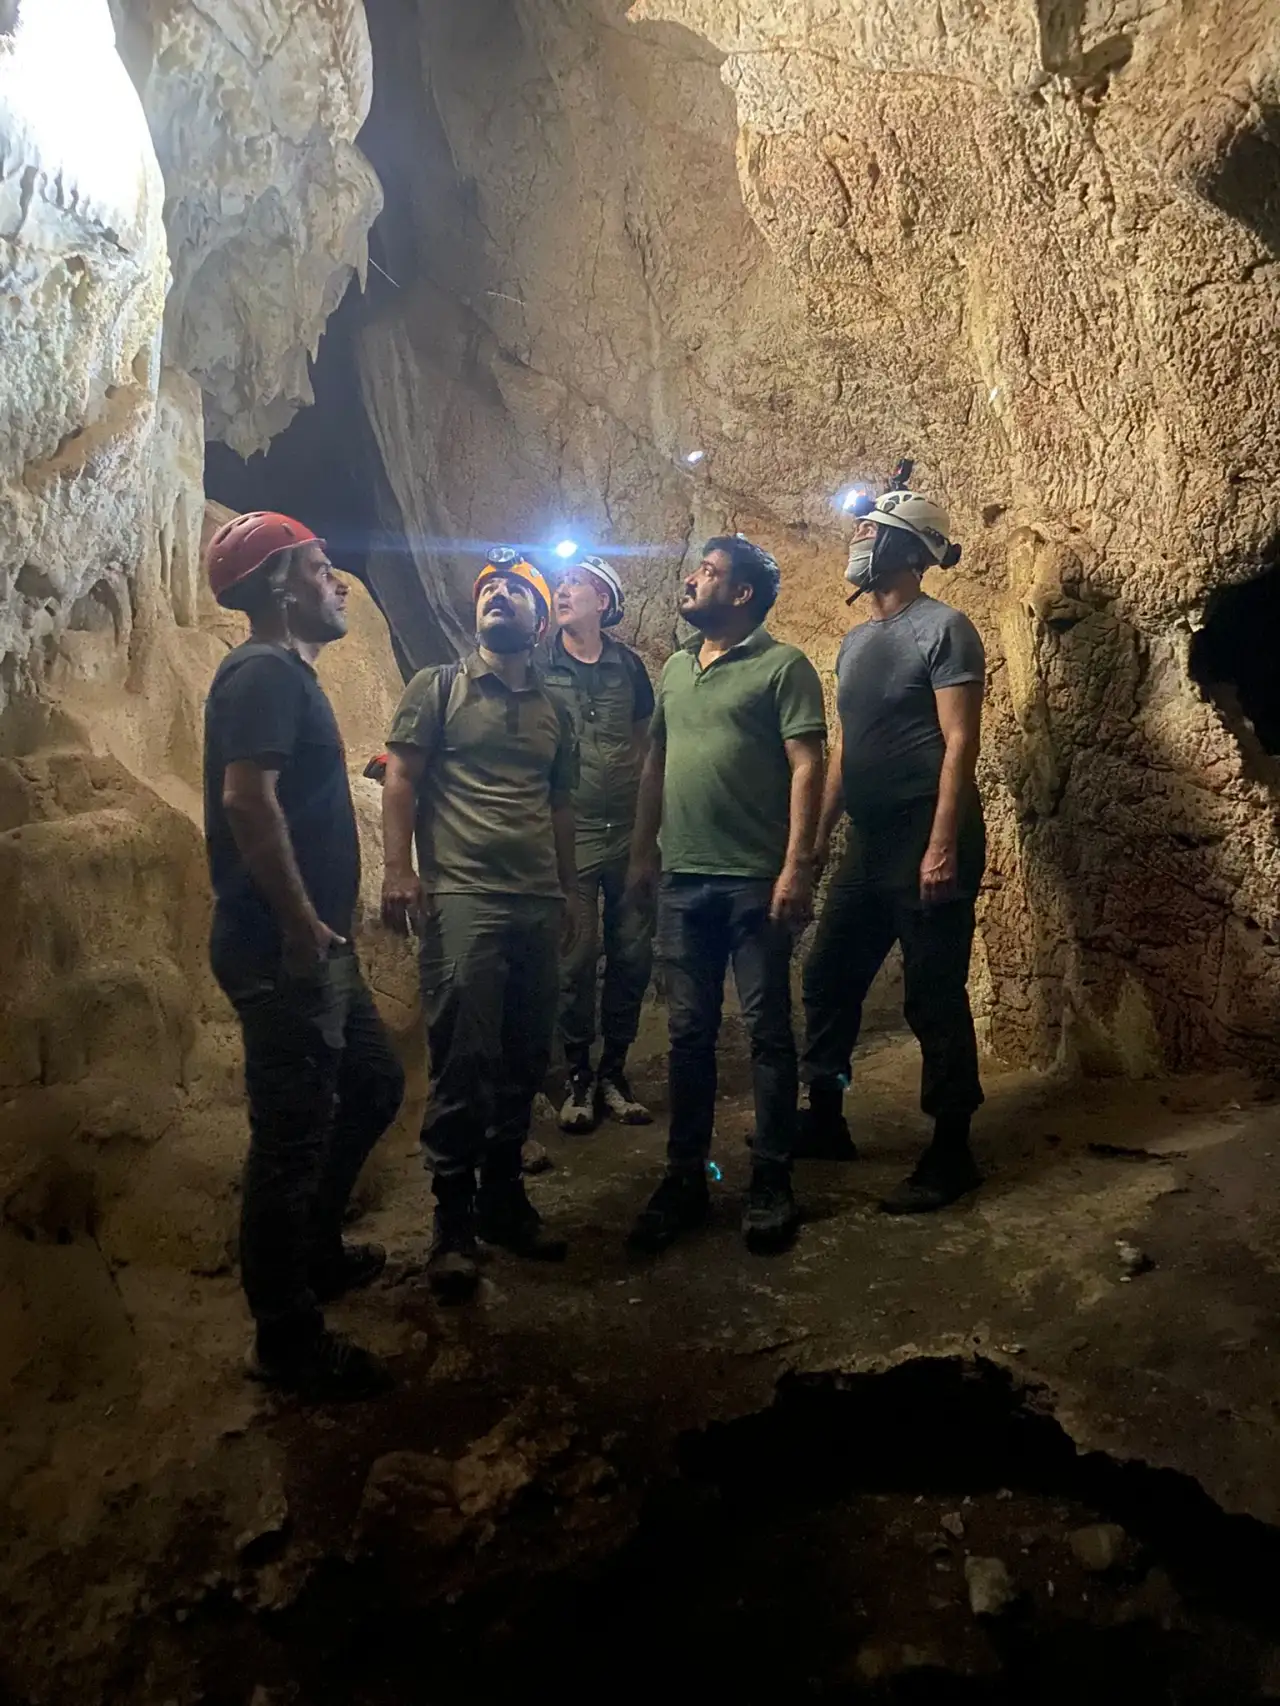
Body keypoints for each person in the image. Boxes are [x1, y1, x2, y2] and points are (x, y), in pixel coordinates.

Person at [203, 511, 404, 1400]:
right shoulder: (261, 672)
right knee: (288, 1143)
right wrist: (295, 923)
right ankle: (284, 1339)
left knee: (374, 1084)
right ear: (284, 585)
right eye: (322, 568)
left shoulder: (284, 673)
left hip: (314, 946)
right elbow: (247, 799)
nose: (339, 581)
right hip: (284, 950)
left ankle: (315, 1252)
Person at [380, 549, 580, 1302]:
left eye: (515, 591)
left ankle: (503, 1200)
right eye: (488, 589)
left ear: (539, 621)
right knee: (463, 1057)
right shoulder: (438, 688)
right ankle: (452, 1222)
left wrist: (568, 890)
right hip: (465, 896)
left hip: (535, 900)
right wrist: (399, 870)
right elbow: (402, 779)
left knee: (525, 1055)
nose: (497, 595)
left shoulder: (555, 711)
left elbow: (560, 806)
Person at [626, 535, 826, 1255]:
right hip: (683, 880)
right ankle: (686, 1176)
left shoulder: (783, 667)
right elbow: (656, 761)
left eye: (707, 572)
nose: (691, 579)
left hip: (753, 881)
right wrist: (642, 851)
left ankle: (771, 1179)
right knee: (688, 1035)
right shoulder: (676, 669)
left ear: (741, 594)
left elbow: (808, 765)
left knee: (768, 1030)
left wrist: (796, 865)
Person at [798, 489, 987, 1212]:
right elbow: (848, 748)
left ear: (909, 550)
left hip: (925, 832)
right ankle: (826, 1117)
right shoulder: (855, 642)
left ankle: (951, 1150)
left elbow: (960, 743)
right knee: (828, 975)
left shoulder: (945, 629)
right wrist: (820, 833)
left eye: (871, 531)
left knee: (933, 994)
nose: (857, 539)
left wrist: (940, 845)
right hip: (871, 838)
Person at [540, 554, 656, 1132]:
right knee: (575, 958)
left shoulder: (628, 666)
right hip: (573, 836)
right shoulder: (539, 663)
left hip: (628, 833)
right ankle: (578, 1075)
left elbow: (646, 746)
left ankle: (615, 1071)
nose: (562, 591)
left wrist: (649, 837)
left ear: (603, 602)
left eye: (576, 584)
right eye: (560, 583)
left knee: (632, 956)